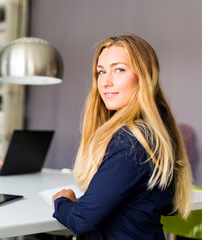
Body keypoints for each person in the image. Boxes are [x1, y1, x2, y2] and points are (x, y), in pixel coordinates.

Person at [52, 34, 193, 239]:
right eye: (101, 72)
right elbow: (168, 206)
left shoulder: (131, 139)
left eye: (119, 69)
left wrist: (62, 201)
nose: (106, 82)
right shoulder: (157, 131)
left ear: (144, 76)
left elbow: (81, 220)